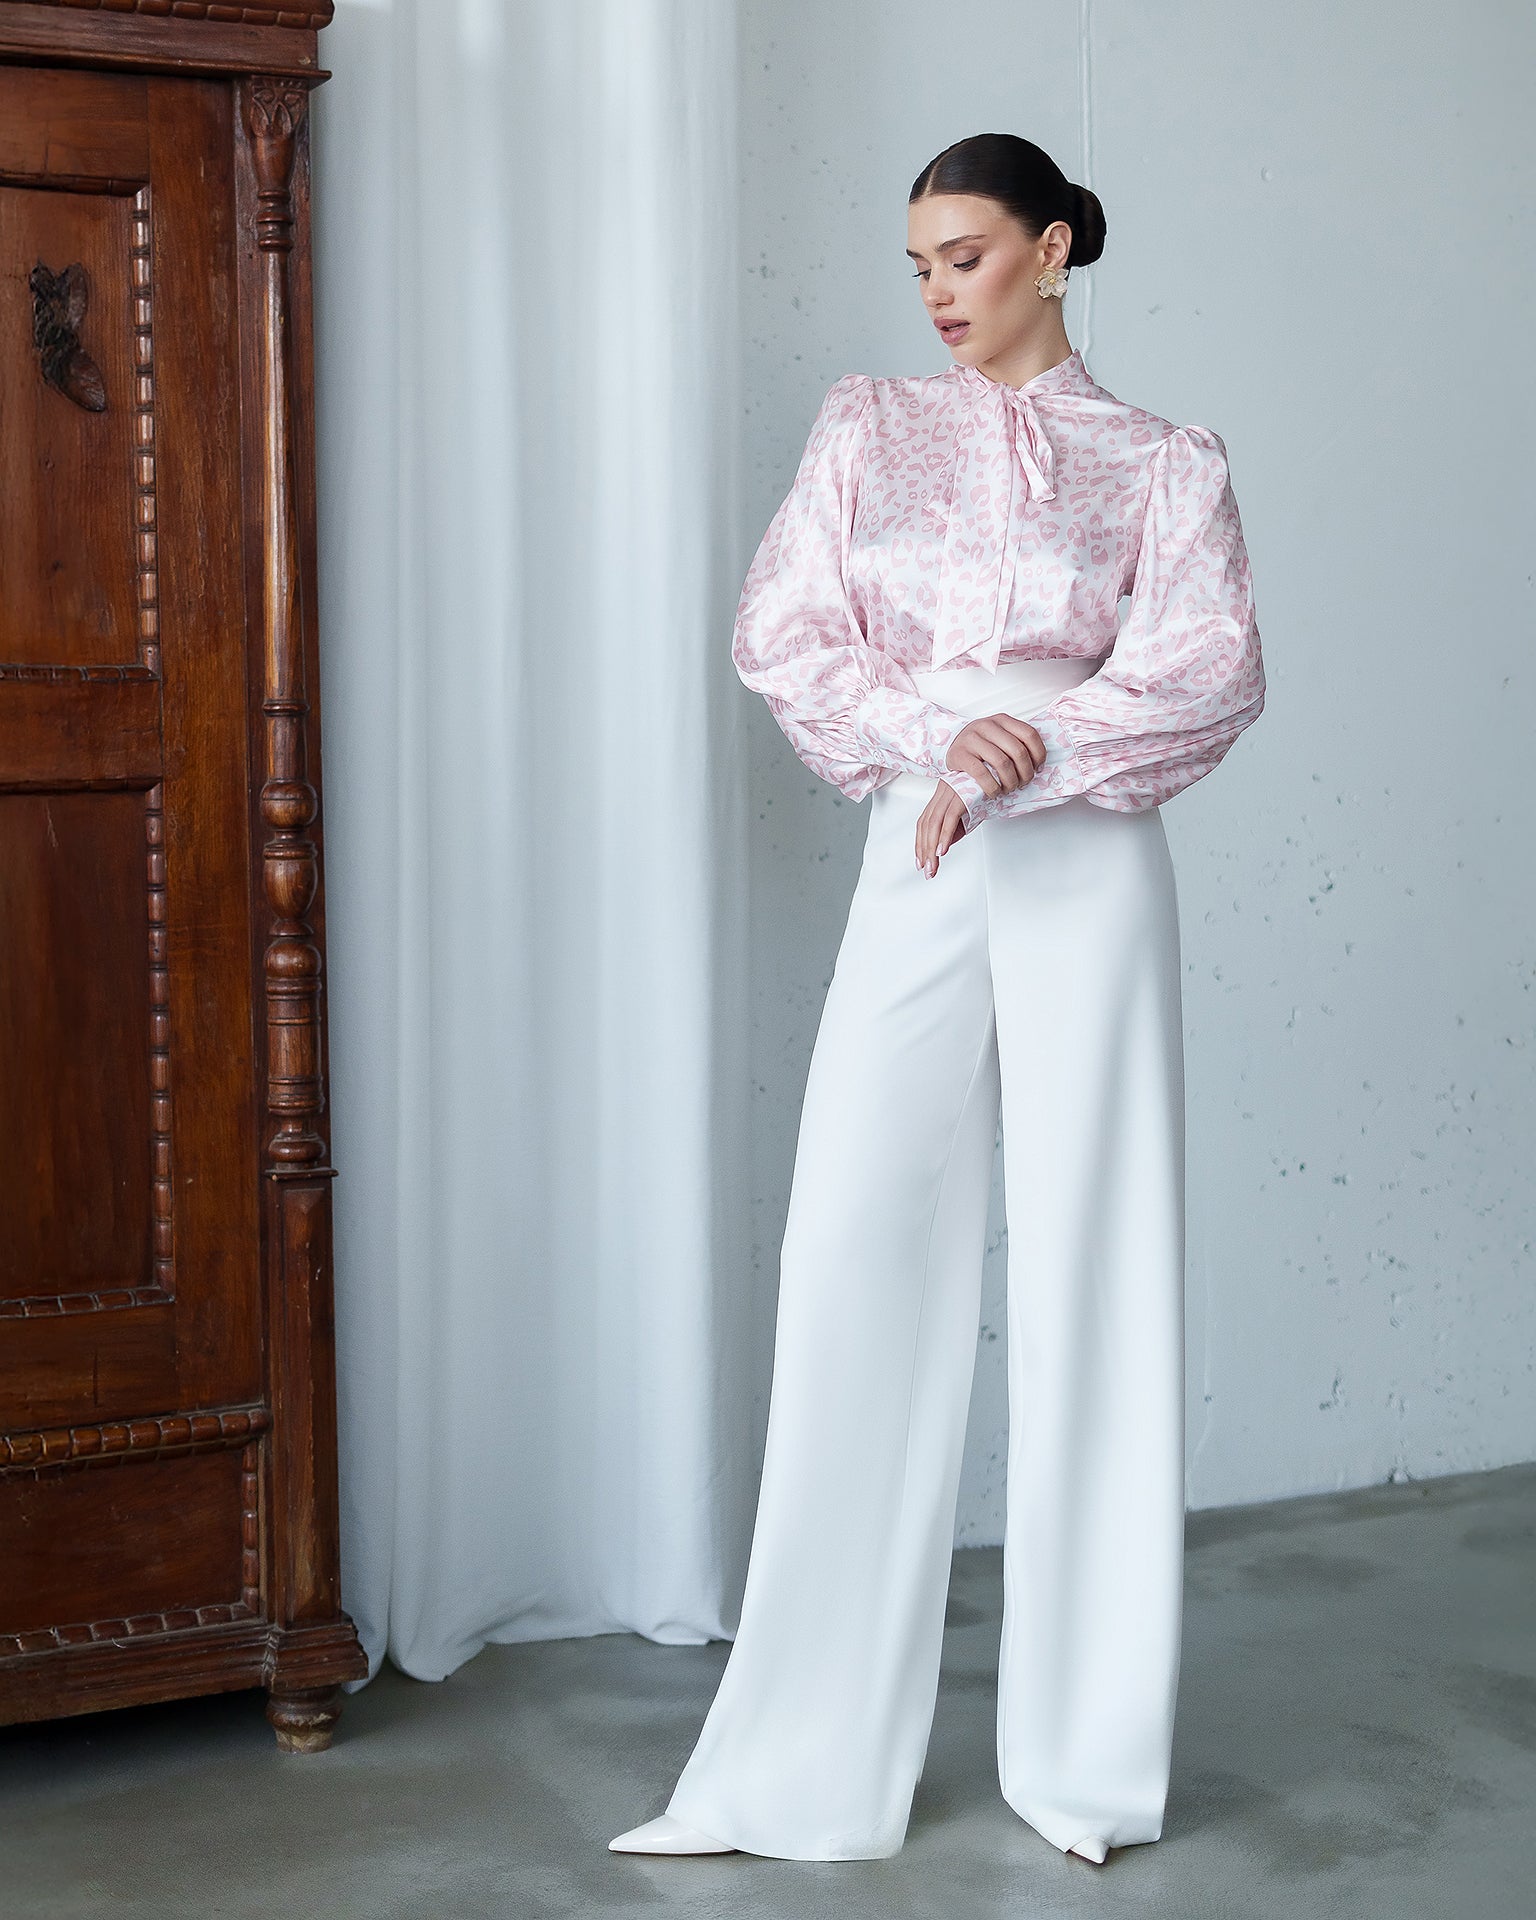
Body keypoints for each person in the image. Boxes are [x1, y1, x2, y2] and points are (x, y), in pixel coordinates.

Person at [610, 131, 1265, 1866]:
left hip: (1086, 859)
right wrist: (937, 740)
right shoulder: (868, 428)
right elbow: (786, 629)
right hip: (923, 842)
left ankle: (1087, 1767)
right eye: (917, 264)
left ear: (1051, 250)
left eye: (965, 256)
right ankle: (799, 1764)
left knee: (1098, 1266)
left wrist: (1027, 749)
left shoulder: (1164, 460)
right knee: (854, 1246)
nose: (936, 293)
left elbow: (1209, 670)